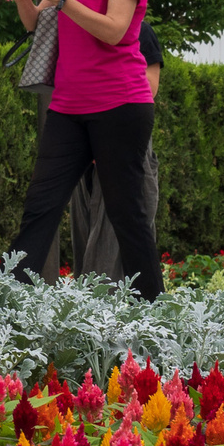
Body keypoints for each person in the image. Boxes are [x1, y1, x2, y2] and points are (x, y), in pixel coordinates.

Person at [7, 0, 162, 299]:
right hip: (69, 106)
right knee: (40, 206)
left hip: (120, 105)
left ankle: (151, 308)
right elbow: (40, 27)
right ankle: (8, 301)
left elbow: (115, 31)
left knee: (127, 213)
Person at [71, 17, 164, 280]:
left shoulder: (140, 31)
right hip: (86, 143)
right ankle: (89, 310)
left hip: (124, 141)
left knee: (119, 243)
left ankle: (113, 313)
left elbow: (149, 87)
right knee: (86, 239)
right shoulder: (82, 32)